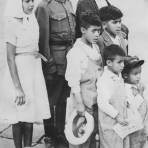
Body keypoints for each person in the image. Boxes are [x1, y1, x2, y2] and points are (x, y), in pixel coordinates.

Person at [3, 0, 51, 148]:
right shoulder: (12, 23)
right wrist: (17, 87)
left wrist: (39, 56)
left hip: (33, 71)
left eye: (32, 1)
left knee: (30, 115)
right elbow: (10, 57)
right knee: (18, 116)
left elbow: (33, 46)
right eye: (27, 1)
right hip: (19, 71)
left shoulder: (32, 20)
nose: (31, 5)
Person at [35, 0, 76, 147]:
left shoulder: (68, 3)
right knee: (50, 100)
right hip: (54, 58)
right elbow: (42, 38)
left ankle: (60, 133)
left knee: (63, 99)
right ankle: (50, 136)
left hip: (68, 59)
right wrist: (49, 63)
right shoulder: (44, 6)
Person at [65, 12, 103, 148]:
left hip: (95, 100)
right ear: (83, 30)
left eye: (99, 31)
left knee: (92, 135)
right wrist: (80, 104)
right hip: (82, 101)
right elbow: (73, 81)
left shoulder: (95, 48)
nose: (97, 34)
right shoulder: (76, 53)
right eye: (94, 31)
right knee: (81, 137)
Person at [97, 44, 130, 148]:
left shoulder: (118, 75)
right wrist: (116, 115)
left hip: (120, 121)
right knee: (111, 144)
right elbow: (102, 103)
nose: (123, 65)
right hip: (110, 122)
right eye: (119, 62)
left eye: (123, 62)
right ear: (109, 63)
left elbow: (120, 94)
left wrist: (126, 100)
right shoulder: (104, 80)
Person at [122, 56, 148, 148]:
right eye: (135, 73)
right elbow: (133, 108)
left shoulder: (136, 86)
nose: (139, 76)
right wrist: (140, 93)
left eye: (140, 73)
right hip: (133, 128)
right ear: (125, 75)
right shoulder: (125, 89)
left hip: (141, 125)